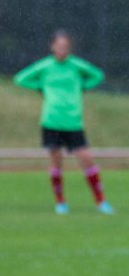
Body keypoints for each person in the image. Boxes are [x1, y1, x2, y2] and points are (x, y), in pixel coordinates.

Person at [13, 31, 114, 215]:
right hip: (52, 120)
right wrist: (40, 87)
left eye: (65, 47)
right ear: (52, 47)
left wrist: (84, 87)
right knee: (56, 162)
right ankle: (60, 202)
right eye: (59, 47)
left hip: (73, 121)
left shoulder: (75, 66)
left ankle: (101, 201)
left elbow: (97, 75)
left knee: (86, 159)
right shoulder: (45, 67)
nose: (62, 50)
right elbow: (20, 79)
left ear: (69, 48)